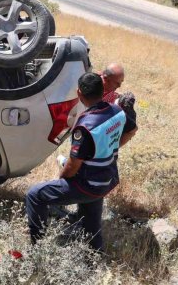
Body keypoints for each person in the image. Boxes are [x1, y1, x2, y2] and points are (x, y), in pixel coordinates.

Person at [25, 72, 132, 252]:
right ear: (102, 90)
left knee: (34, 195)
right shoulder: (117, 112)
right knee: (91, 225)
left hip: (87, 184)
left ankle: (37, 247)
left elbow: (73, 166)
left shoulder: (85, 127)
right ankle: (95, 256)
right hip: (107, 179)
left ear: (79, 93)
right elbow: (129, 131)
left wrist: (60, 180)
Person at [100, 63, 138, 145]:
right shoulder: (94, 88)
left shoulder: (108, 86)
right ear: (106, 79)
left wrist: (121, 98)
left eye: (121, 82)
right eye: (117, 83)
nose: (120, 85)